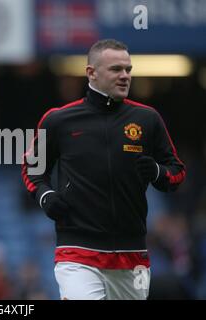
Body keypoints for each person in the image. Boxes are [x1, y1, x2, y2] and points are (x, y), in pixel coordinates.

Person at [22, 39, 186, 300]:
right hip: (77, 250)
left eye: (128, 70)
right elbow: (32, 167)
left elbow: (177, 172)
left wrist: (156, 172)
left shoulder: (148, 119)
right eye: (116, 69)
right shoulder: (58, 120)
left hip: (132, 254)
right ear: (91, 73)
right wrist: (45, 195)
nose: (124, 76)